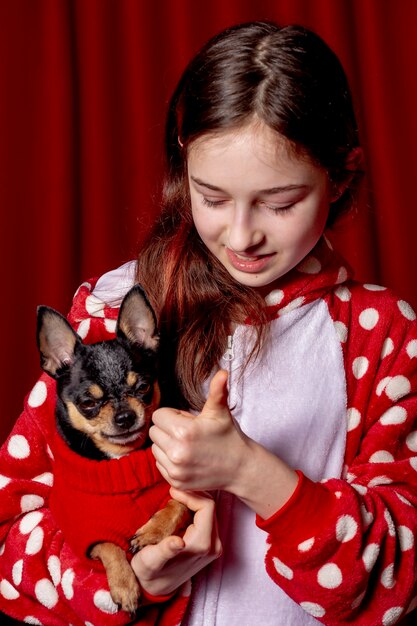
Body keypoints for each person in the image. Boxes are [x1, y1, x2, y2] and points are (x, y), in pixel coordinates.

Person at [1, 19, 417, 626]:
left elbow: (399, 580)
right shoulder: (109, 315)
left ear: (341, 177)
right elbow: (11, 536)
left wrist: (255, 475)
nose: (243, 234)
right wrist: (126, 582)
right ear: (182, 172)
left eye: (279, 203)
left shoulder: (382, 336)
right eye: (213, 198)